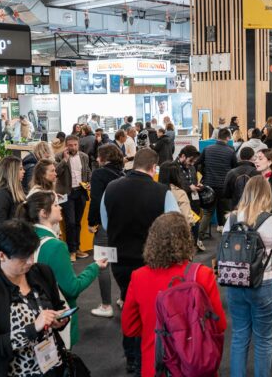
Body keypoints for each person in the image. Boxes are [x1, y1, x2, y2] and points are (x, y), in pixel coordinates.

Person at [101, 148, 180, 375]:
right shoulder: (162, 192)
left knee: (129, 304)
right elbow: (174, 227)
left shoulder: (111, 188)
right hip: (152, 261)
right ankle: (149, 356)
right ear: (154, 168)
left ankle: (132, 357)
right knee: (152, 310)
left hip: (120, 260)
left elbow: (106, 223)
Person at [122, 212, 226, 377]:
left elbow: (130, 328)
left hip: (157, 366)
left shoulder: (138, 277)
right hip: (195, 364)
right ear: (187, 240)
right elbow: (219, 325)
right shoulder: (202, 275)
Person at [17, 191, 107, 347]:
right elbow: (72, 289)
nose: (60, 208)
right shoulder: (55, 246)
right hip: (57, 318)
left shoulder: (27, 237)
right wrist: (95, 267)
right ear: (43, 213)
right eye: (55, 205)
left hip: (33, 316)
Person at [0, 220, 69, 377]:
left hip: (53, 365)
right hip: (17, 371)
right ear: (2, 256)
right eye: (23, 258)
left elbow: (57, 305)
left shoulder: (42, 272)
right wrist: (32, 329)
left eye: (32, 254)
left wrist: (61, 319)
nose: (30, 261)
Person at [224, 176, 272, 377]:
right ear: (267, 194)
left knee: (239, 336)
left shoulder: (231, 219)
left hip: (235, 281)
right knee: (263, 339)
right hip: (265, 284)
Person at [87, 144, 125, 318]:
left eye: (98, 155)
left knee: (102, 264)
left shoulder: (99, 174)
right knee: (121, 263)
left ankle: (106, 305)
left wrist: (91, 222)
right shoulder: (123, 174)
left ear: (104, 157)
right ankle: (124, 298)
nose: (96, 159)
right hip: (122, 225)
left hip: (104, 225)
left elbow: (96, 201)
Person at [55, 135, 91, 262]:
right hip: (67, 193)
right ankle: (72, 251)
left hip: (81, 192)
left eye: (75, 145)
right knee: (70, 223)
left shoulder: (84, 156)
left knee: (77, 223)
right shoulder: (59, 156)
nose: (73, 147)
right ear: (66, 145)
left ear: (78, 144)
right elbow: (56, 172)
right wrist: (65, 160)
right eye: (70, 145)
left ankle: (77, 248)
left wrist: (89, 182)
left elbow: (87, 171)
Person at [197, 128, 237, 238]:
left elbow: (197, 163)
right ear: (228, 138)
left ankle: (199, 237)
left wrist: (203, 174)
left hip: (209, 186)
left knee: (208, 213)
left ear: (217, 136)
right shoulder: (230, 151)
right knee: (226, 211)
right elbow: (235, 169)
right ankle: (228, 236)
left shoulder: (207, 149)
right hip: (224, 186)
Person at [175, 145, 204, 251]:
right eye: (191, 160)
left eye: (194, 161)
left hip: (194, 203)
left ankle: (193, 246)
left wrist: (197, 186)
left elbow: (194, 181)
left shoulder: (192, 167)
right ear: (183, 156)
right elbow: (173, 187)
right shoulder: (173, 168)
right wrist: (188, 187)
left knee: (194, 229)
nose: (192, 163)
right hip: (181, 205)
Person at [0, 156, 25, 234]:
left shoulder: (17, 192)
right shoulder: (0, 195)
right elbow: (0, 227)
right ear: (11, 172)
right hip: (7, 239)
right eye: (20, 169)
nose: (24, 171)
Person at [158, 162, 194, 227]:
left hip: (157, 229)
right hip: (175, 230)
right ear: (176, 175)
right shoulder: (180, 194)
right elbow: (187, 220)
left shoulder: (155, 190)